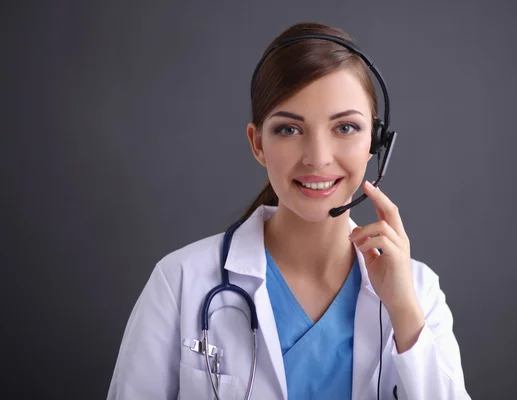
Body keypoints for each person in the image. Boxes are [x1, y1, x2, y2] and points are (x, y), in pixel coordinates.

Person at [107, 22, 471, 400]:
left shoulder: (418, 293)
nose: (318, 157)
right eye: (289, 130)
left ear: (375, 144)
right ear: (257, 143)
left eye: (345, 127)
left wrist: (404, 314)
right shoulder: (180, 282)